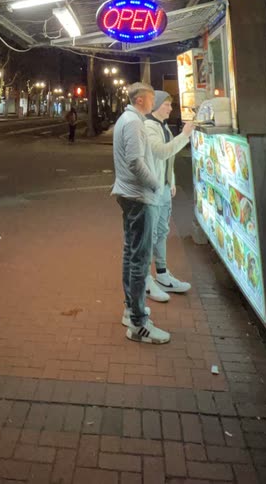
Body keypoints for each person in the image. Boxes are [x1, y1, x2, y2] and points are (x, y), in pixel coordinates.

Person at [112, 82, 171, 345]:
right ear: (139, 100)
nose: (153, 103)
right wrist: (156, 184)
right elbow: (135, 162)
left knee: (131, 254)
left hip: (129, 195)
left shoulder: (127, 120)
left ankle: (131, 310)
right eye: (151, 98)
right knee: (140, 260)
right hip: (139, 197)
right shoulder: (134, 123)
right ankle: (138, 323)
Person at [144, 91, 193, 300]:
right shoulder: (149, 127)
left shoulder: (163, 126)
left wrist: (171, 180)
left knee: (162, 231)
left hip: (163, 188)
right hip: (152, 190)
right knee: (149, 234)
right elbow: (162, 152)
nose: (171, 109)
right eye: (167, 105)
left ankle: (162, 274)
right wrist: (185, 135)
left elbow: (168, 160)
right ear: (155, 105)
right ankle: (145, 279)